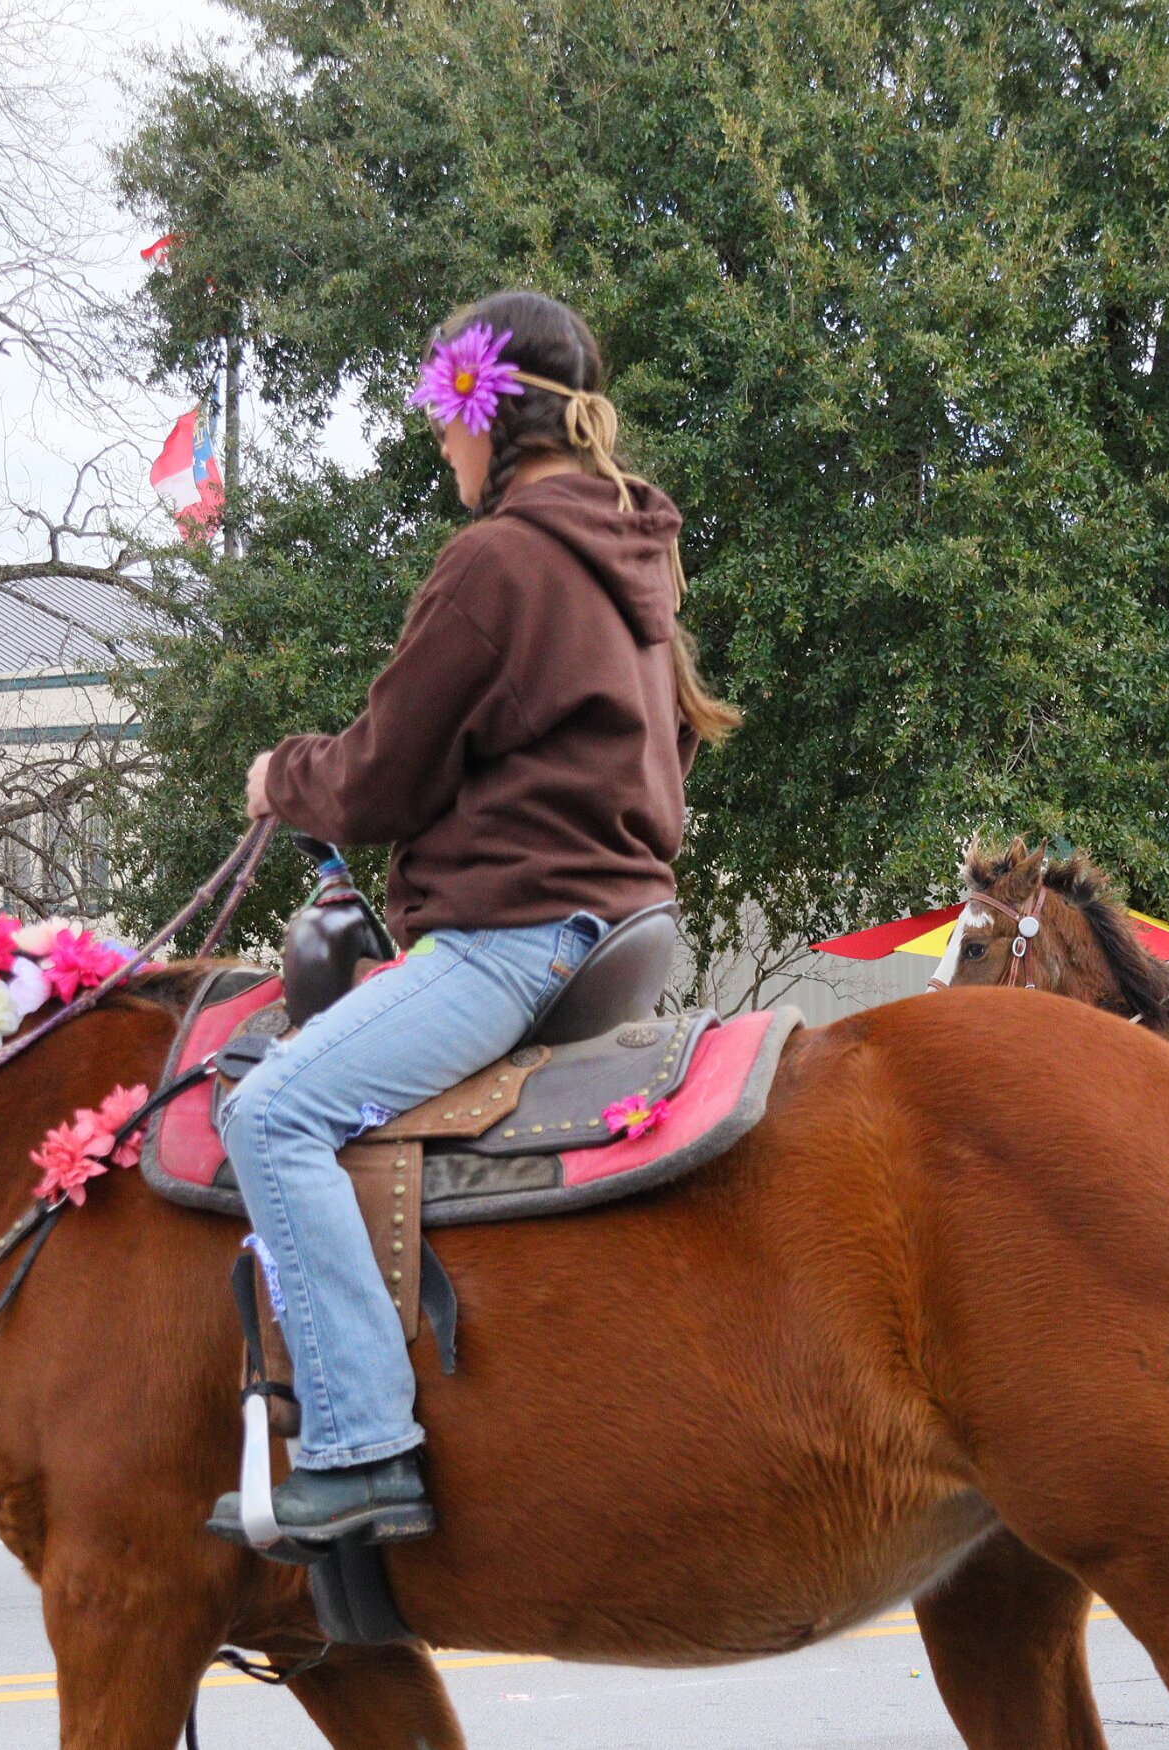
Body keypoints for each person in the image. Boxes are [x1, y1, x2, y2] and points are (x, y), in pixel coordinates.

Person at [206, 292, 736, 1546]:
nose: (439, 439)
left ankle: (360, 1443)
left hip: (514, 939)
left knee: (271, 1112)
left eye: (446, 413)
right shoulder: (632, 566)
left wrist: (281, 777)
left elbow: (380, 778)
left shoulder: (497, 562)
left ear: (492, 417)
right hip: (615, 925)